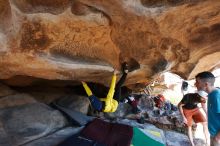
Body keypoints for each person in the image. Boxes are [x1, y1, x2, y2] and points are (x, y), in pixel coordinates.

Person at [195, 71, 220, 146]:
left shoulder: (216, 96)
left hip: (217, 136)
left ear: (206, 84)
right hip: (213, 133)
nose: (195, 84)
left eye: (197, 82)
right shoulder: (211, 94)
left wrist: (218, 137)